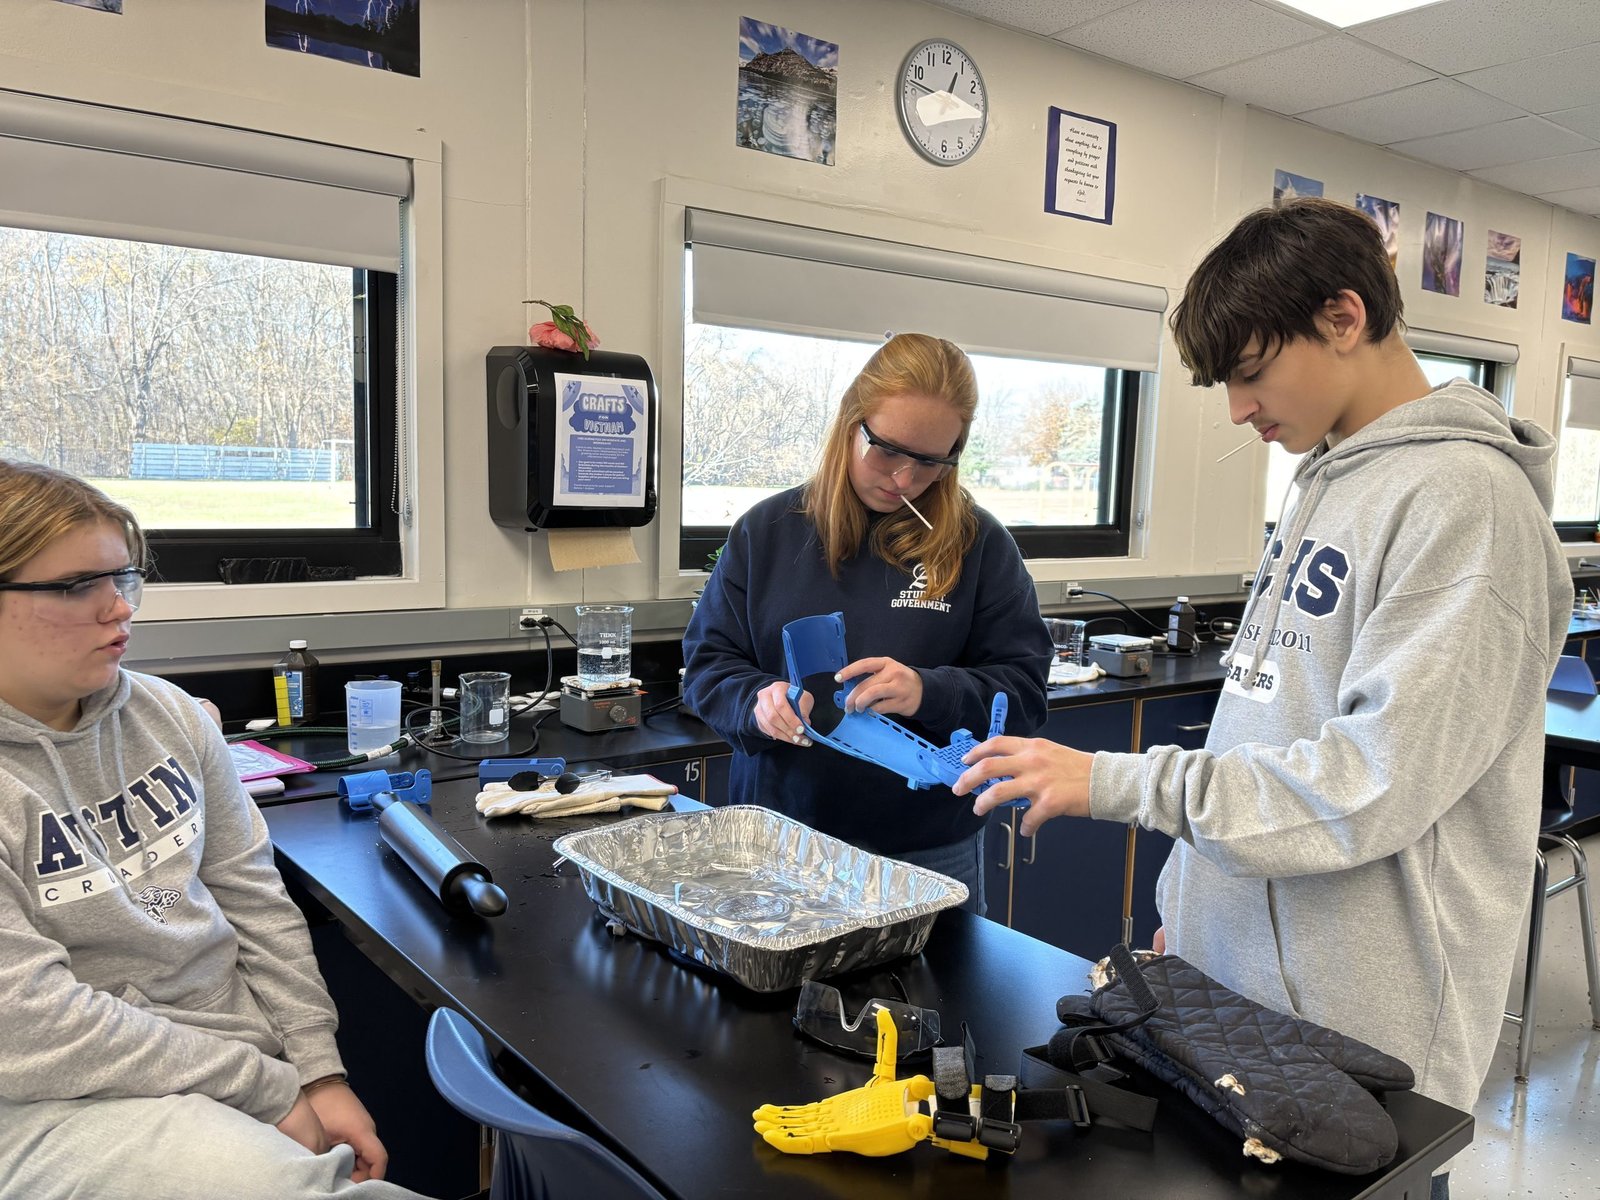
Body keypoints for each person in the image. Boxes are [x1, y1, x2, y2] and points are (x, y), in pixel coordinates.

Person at [956, 198, 1572, 1169]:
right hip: (1234, 993)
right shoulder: (1323, 482)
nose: (1239, 410)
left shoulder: (1471, 511)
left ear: (1341, 317)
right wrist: (1198, 903)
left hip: (1360, 1026)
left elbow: (1363, 785)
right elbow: (1265, 720)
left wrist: (1118, 783)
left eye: (1249, 373)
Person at [0, 460, 432, 1200]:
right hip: (62, 1099)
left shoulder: (168, 715)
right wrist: (268, 1090)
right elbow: (34, 1027)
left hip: (239, 1065)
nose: (119, 610)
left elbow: (256, 903)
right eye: (79, 586)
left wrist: (319, 1073)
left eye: (124, 579)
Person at [683, 333, 1052, 912]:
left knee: (940, 1003)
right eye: (887, 450)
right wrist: (756, 703)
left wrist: (929, 691)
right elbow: (708, 666)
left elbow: (1024, 694)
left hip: (927, 855)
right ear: (850, 423)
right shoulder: (766, 534)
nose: (904, 479)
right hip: (779, 845)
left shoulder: (979, 547)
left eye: (931, 461)